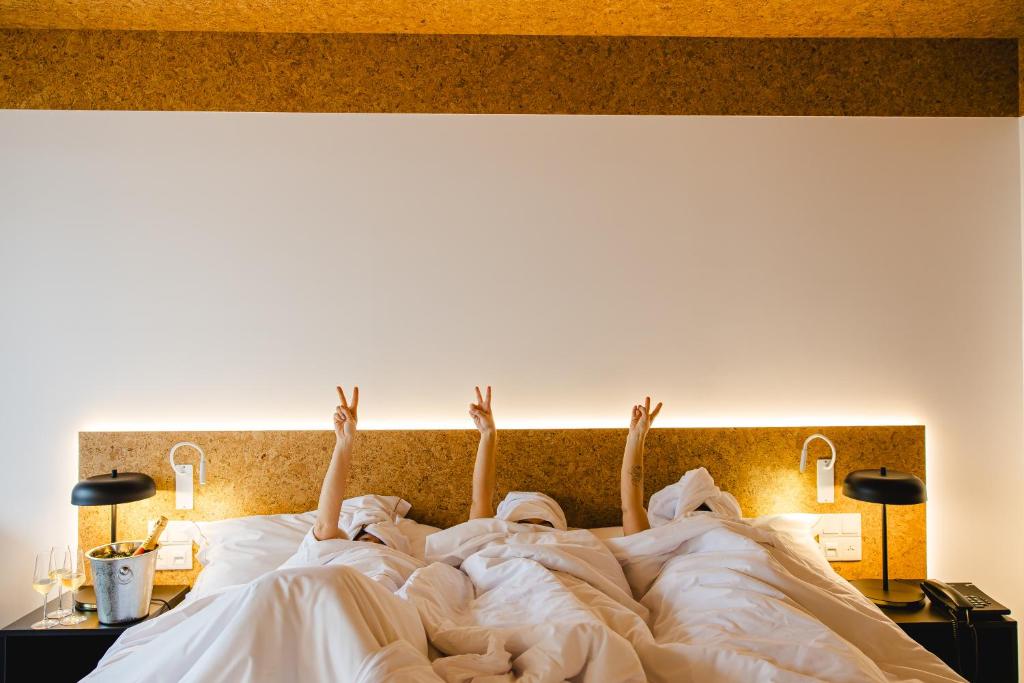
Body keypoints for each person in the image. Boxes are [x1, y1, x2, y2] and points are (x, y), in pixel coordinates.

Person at [466, 385, 568, 529]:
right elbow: (479, 500)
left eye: (546, 526)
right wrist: (488, 433)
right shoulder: (491, 539)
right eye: (523, 524)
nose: (534, 529)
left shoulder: (574, 544)